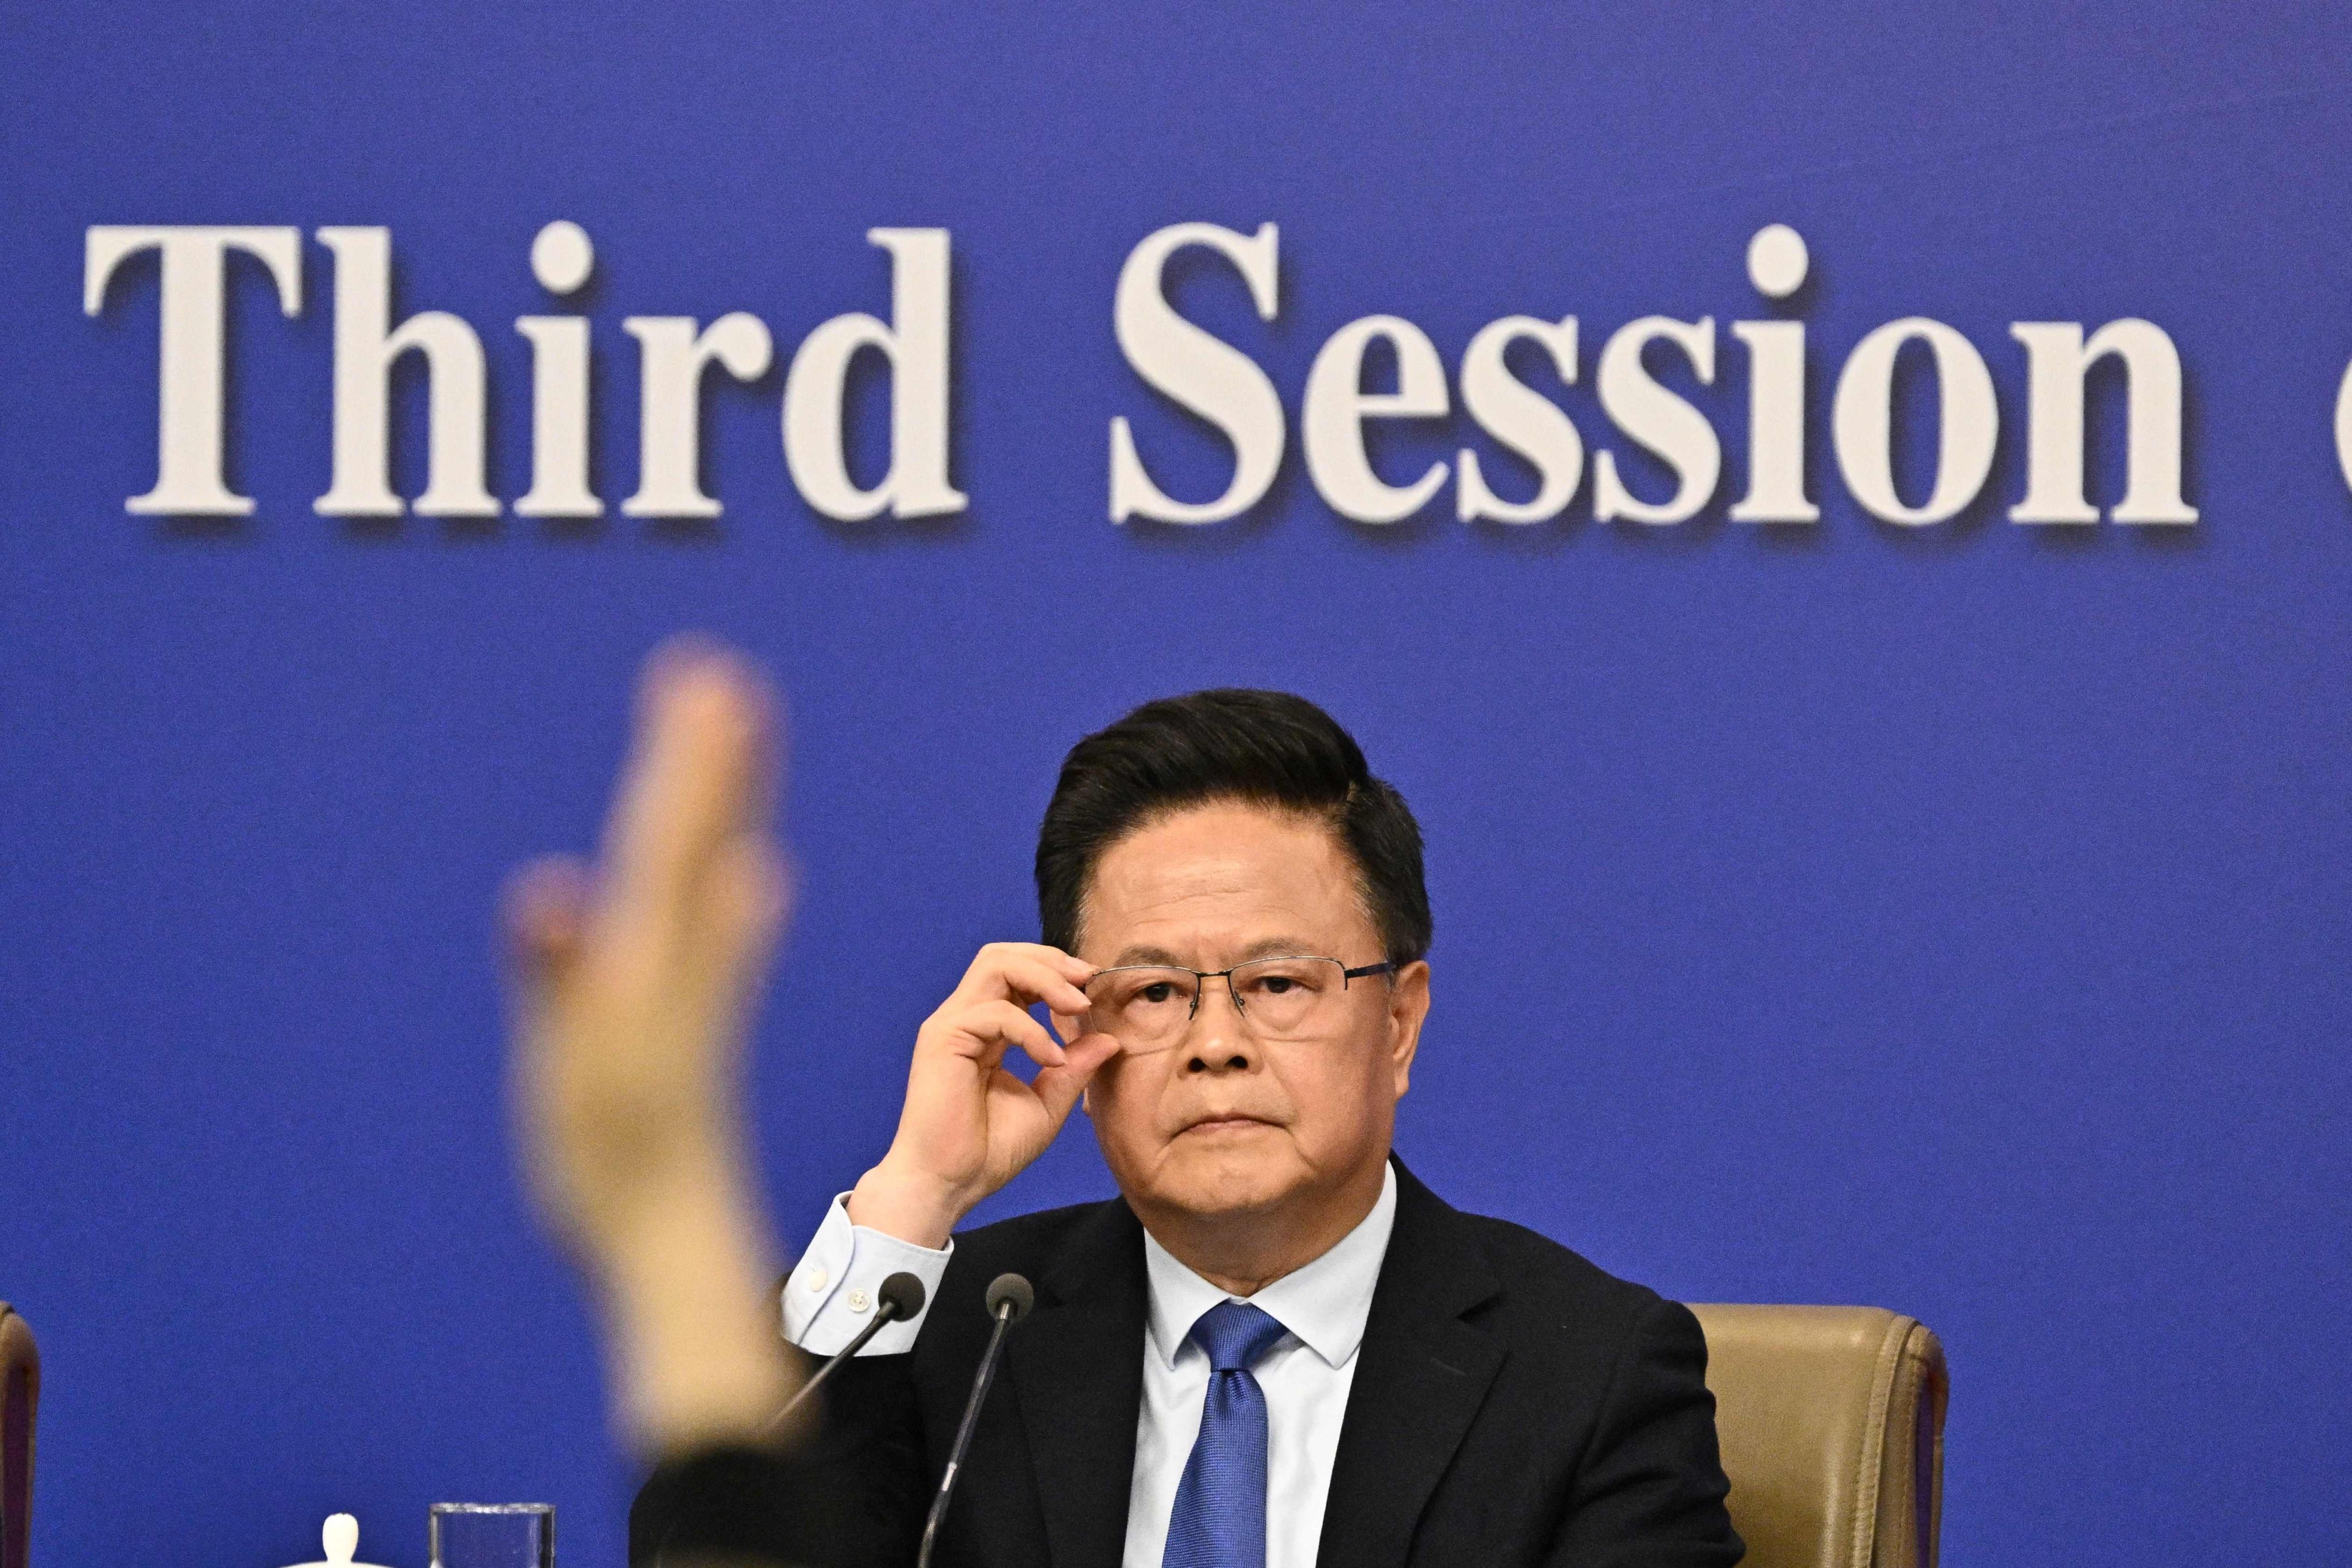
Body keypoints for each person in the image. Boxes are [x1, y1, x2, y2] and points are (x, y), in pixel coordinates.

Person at [511, 640, 1743, 1568]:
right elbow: (691, 1553)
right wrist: (909, 1202)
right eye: (1151, 993)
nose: (1213, 1044)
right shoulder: (956, 1339)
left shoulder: (1585, 1374)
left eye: (1274, 983)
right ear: (1075, 1032)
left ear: (1399, 1019)